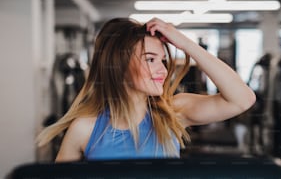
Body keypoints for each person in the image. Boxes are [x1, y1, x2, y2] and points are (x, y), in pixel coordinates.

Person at [37, 17, 255, 162]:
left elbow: (242, 100)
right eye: (150, 59)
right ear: (119, 65)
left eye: (162, 60)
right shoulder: (85, 129)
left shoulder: (173, 113)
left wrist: (185, 44)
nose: (162, 69)